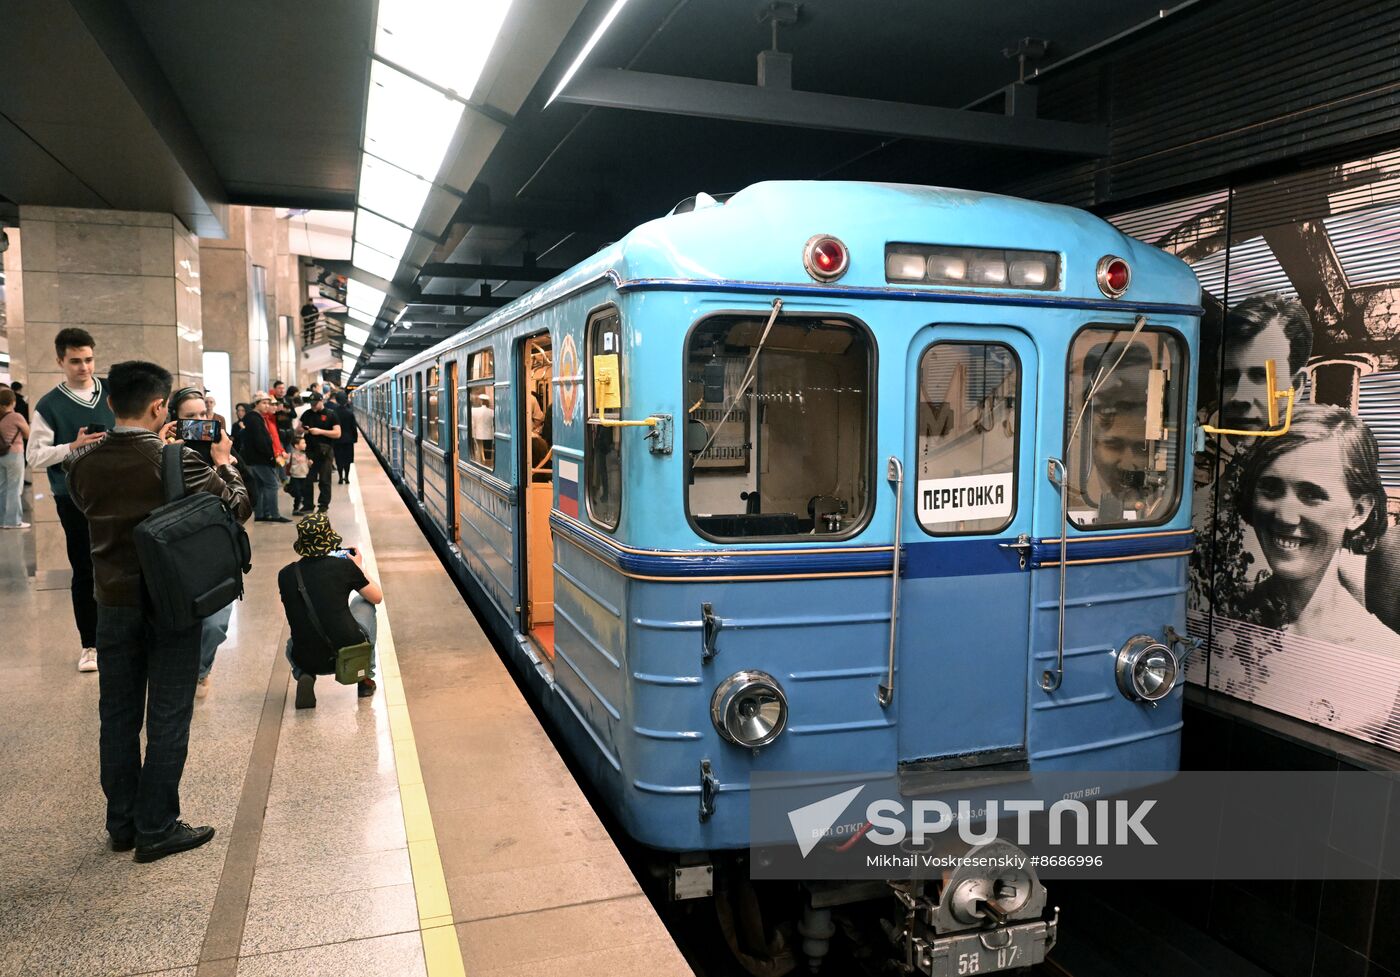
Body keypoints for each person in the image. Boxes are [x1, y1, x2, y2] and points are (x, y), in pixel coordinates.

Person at [65, 359, 251, 861]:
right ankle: (158, 826)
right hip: (170, 601)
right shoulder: (177, 460)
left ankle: (122, 823)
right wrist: (225, 461)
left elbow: (84, 509)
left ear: (109, 403)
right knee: (168, 713)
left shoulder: (81, 462)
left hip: (113, 604)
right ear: (157, 407)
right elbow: (236, 507)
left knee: (117, 715)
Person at [1235, 406, 1396, 650]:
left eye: (1311, 494)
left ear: (1358, 512)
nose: (1285, 517)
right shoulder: (1225, 612)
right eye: (1270, 488)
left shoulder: (1383, 653)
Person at [27, 328, 116, 671]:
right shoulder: (50, 405)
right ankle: (90, 644)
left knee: (123, 562)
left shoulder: (110, 391)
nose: (84, 367)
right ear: (60, 362)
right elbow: (35, 457)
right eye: (76, 361)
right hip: (74, 496)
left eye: (89, 359)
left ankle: (123, 636)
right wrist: (72, 447)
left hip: (117, 490)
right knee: (85, 567)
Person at [165, 387, 235, 698]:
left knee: (216, 625)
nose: (199, 421)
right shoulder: (164, 451)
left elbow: (243, 505)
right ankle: (185, 675)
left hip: (219, 549)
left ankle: (201, 669)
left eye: (202, 414)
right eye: (189, 417)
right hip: (180, 550)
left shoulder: (222, 449)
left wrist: (225, 462)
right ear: (174, 421)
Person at [277, 512, 381, 709]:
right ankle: (364, 678)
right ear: (329, 537)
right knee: (364, 602)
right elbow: (377, 596)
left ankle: (305, 674)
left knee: (291, 644)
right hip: (348, 651)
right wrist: (358, 568)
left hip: (306, 655)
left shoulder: (286, 574)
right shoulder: (343, 566)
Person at [242, 392, 290, 523]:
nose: (267, 405)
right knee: (272, 485)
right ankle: (274, 515)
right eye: (264, 402)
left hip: (256, 459)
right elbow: (261, 441)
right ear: (256, 404)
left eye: (268, 403)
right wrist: (270, 457)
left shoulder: (257, 418)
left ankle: (261, 514)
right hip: (260, 459)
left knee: (261, 486)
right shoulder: (254, 418)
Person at [298, 393, 341, 512]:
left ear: (322, 401)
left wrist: (320, 431)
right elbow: (298, 429)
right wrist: (304, 430)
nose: (313, 406)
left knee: (324, 479)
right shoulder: (307, 414)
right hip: (309, 451)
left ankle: (323, 505)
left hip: (325, 451)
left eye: (315, 404)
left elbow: (337, 433)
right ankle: (308, 504)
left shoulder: (331, 414)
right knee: (307, 480)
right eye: (311, 404)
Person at [0, 387, 31, 528]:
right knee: (14, 488)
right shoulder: (16, 416)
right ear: (12, 402)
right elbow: (28, 434)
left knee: (2, 487)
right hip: (14, 454)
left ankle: (2, 520)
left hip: (1, 456)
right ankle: (13, 521)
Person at [331, 390, 358, 484]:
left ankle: (340, 477)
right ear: (346, 400)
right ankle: (346, 477)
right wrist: (355, 438)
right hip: (348, 440)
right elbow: (353, 427)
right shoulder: (350, 413)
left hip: (337, 440)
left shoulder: (333, 412)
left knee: (339, 459)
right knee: (347, 460)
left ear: (337, 400)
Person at [287, 435, 313, 515]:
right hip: (295, 477)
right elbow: (286, 463)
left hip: (304, 476)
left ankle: (298, 507)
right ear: (296, 446)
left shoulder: (306, 454)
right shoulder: (291, 454)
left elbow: (308, 465)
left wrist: (310, 463)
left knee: (303, 493)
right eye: (303, 443)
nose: (305, 444)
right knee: (297, 493)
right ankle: (295, 509)